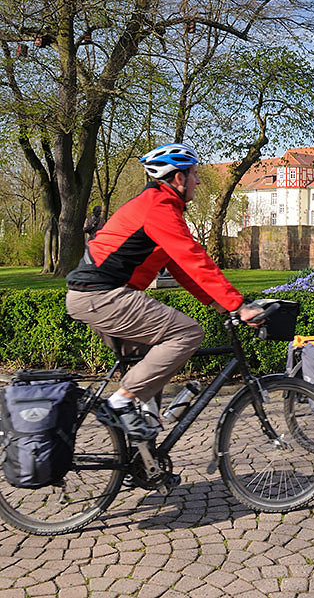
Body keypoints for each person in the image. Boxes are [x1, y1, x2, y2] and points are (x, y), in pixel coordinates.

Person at [66, 143, 261, 440]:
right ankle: (120, 401)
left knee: (149, 366)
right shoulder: (159, 207)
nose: (197, 180)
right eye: (193, 174)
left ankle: (143, 460)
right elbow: (193, 258)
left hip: (97, 295)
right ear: (177, 178)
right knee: (188, 334)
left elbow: (182, 269)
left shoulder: (159, 207)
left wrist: (223, 305)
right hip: (101, 295)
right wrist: (238, 305)